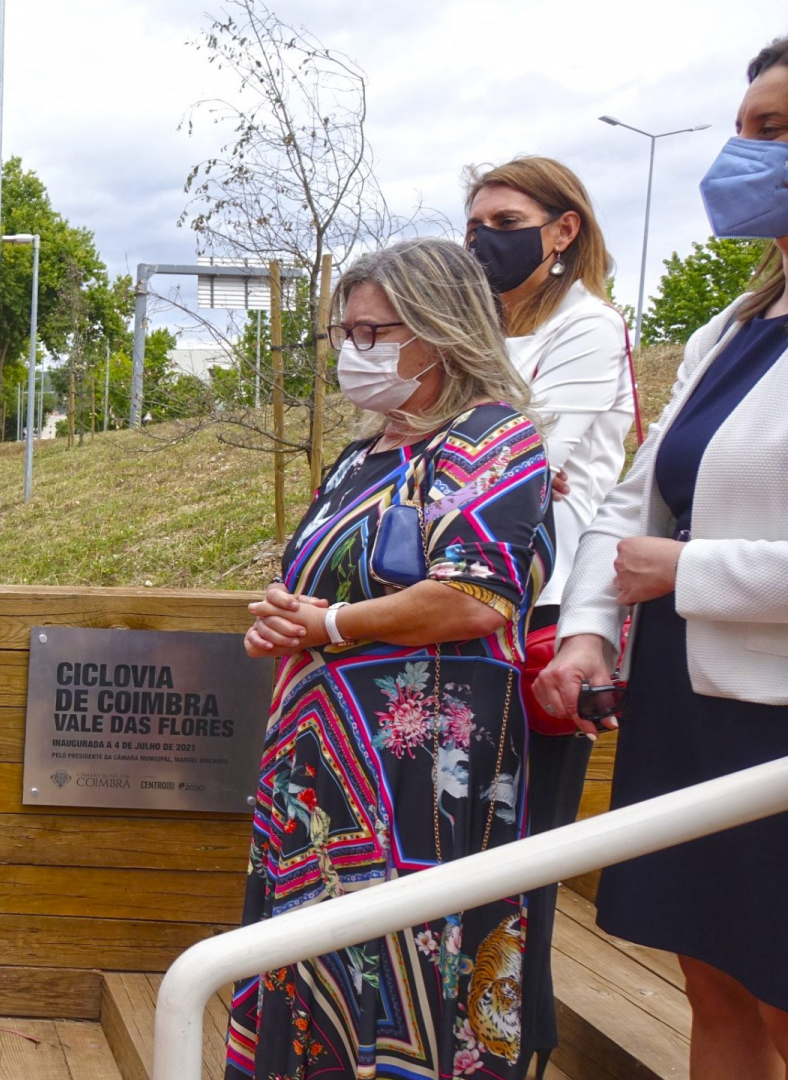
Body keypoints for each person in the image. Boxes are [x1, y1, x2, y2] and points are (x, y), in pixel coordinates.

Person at [227, 238, 550, 1079]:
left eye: (375, 333)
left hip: (417, 785)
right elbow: (319, 591)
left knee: (412, 969)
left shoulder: (490, 441)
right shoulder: (358, 459)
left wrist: (330, 624)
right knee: (309, 970)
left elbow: (474, 596)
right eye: (345, 333)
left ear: (441, 333)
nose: (353, 352)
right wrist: (283, 623)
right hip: (318, 776)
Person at [537, 34, 788, 1079]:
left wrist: (688, 574)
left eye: (773, 131)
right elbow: (631, 500)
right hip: (687, 707)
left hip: (774, 726)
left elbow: (667, 546)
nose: (746, 154)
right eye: (745, 129)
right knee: (716, 987)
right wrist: (589, 630)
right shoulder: (732, 328)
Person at [465, 154, 635, 1071]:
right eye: (475, 223)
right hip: (471, 606)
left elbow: (524, 454)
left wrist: (481, 447)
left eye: (504, 219)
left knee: (523, 852)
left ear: (562, 229)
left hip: (546, 614)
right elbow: (457, 440)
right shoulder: (482, 328)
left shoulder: (588, 326)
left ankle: (517, 1043)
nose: (483, 237)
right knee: (462, 848)